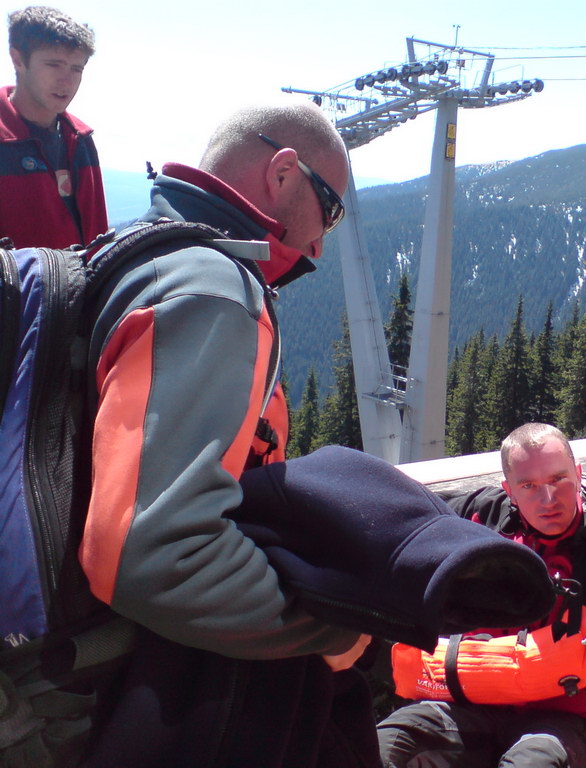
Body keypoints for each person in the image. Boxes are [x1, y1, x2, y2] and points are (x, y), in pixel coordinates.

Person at [1, 103, 364, 768]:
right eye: (330, 209)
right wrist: (326, 629)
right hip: (72, 700)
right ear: (284, 173)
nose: (319, 245)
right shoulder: (213, 290)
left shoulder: (131, 246)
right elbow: (153, 554)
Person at [378, 423, 586, 768]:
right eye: (529, 485)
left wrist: (439, 666)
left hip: (559, 715)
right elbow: (397, 513)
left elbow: (581, 659)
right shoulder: (481, 515)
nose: (548, 499)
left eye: (558, 479)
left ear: (578, 474)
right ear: (509, 490)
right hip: (463, 706)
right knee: (381, 746)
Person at [1, 6, 107, 248]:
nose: (67, 80)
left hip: (86, 284)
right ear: (18, 60)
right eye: (54, 65)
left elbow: (97, 238)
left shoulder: (81, 139)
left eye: (76, 68)